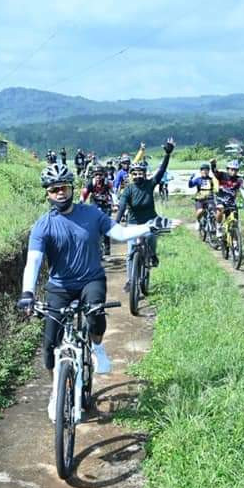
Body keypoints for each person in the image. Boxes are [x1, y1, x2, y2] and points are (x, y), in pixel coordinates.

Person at [16, 163, 172, 420]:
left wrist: (150, 226)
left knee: (95, 316)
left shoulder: (91, 214)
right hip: (59, 286)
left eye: (64, 187)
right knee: (48, 345)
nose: (60, 193)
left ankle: (97, 349)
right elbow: (33, 261)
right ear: (47, 193)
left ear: (71, 188)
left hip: (91, 279)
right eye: (54, 189)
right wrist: (27, 293)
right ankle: (57, 391)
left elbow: (120, 233)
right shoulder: (42, 226)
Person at [116, 138, 175, 288]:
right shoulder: (128, 189)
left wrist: (167, 154)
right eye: (134, 174)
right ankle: (130, 280)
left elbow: (161, 171)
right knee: (130, 252)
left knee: (150, 237)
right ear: (131, 175)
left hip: (150, 221)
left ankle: (153, 255)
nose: (137, 176)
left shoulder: (150, 184)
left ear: (144, 173)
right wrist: (115, 223)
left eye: (140, 173)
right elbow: (122, 206)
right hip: (133, 223)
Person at [210, 158, 244, 236]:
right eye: (232, 169)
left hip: (231, 202)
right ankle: (218, 226)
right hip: (220, 199)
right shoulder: (222, 175)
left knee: (234, 222)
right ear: (228, 169)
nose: (234, 172)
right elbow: (214, 171)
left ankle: (235, 242)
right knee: (220, 208)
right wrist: (213, 164)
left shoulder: (239, 180)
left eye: (236, 170)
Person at [81, 165, 115, 255]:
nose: (98, 177)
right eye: (96, 175)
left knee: (106, 225)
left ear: (104, 175)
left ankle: (107, 247)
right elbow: (84, 193)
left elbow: (113, 193)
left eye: (100, 174)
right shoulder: (90, 183)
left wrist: (116, 203)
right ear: (93, 175)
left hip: (106, 204)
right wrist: (81, 202)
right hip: (95, 204)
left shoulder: (108, 183)